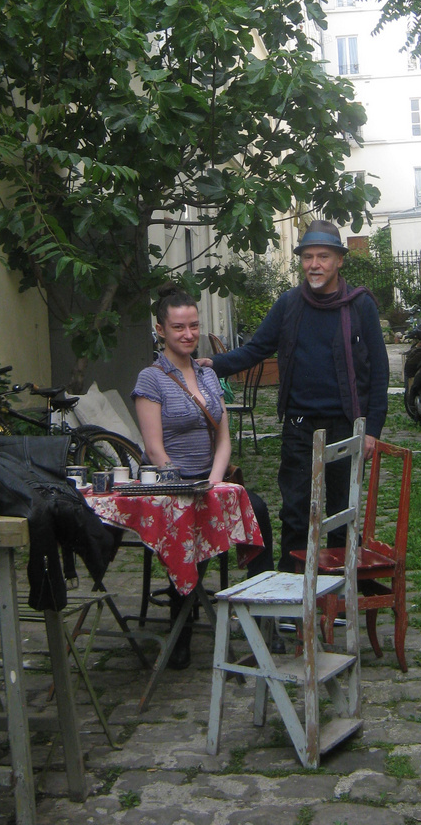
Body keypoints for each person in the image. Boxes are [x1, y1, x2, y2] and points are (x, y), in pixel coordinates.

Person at [200, 220, 390, 572]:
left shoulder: (360, 305)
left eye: (323, 256)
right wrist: (211, 366)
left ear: (339, 261)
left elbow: (379, 372)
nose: (314, 264)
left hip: (346, 427)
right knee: (296, 511)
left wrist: (373, 429)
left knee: (340, 513)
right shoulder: (290, 304)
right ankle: (292, 594)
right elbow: (256, 349)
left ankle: (338, 595)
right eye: (307, 257)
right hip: (299, 428)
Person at [131, 283, 274, 668]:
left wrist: (213, 481)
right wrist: (185, 483)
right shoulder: (151, 379)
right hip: (171, 484)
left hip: (210, 478)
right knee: (188, 524)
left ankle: (266, 616)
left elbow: (224, 438)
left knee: (258, 511)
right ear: (161, 329)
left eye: (193, 325)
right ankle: (182, 624)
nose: (189, 334)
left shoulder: (209, 375)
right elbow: (154, 447)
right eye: (179, 327)